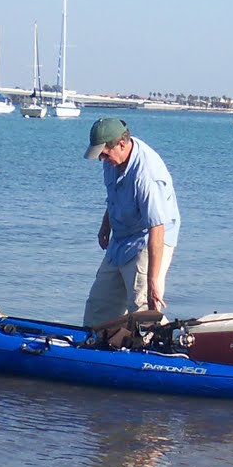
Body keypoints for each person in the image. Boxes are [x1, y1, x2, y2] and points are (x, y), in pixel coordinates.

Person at [81, 117, 180, 327]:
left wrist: (153, 281)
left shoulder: (146, 176)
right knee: (98, 305)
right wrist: (105, 226)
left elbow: (157, 229)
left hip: (149, 240)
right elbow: (115, 195)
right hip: (121, 239)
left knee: (142, 305)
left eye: (104, 154)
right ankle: (95, 349)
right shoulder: (111, 160)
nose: (101, 159)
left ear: (122, 144)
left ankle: (165, 349)